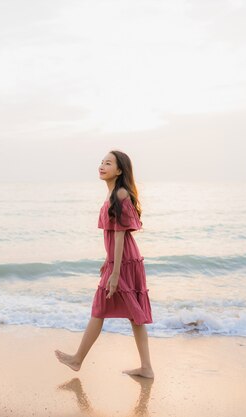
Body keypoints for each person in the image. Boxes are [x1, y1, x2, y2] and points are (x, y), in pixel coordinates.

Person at [55, 150, 154, 379]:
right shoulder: (114, 194)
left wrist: (115, 271)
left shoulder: (119, 194)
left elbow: (120, 235)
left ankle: (78, 359)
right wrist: (107, 261)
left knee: (103, 308)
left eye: (108, 163)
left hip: (124, 262)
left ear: (119, 170)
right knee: (130, 315)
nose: (102, 166)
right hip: (121, 260)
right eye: (101, 162)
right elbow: (114, 235)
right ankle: (146, 367)